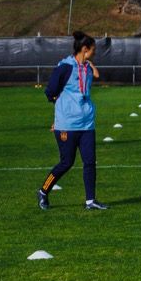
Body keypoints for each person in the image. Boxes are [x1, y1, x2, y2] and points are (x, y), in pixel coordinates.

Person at [38, 31, 108, 211]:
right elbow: (50, 92)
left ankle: (90, 201)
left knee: (90, 162)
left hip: (87, 124)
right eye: (93, 50)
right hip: (67, 125)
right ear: (85, 49)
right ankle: (44, 191)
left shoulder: (87, 67)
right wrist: (61, 113)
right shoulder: (65, 67)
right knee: (66, 163)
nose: (95, 53)